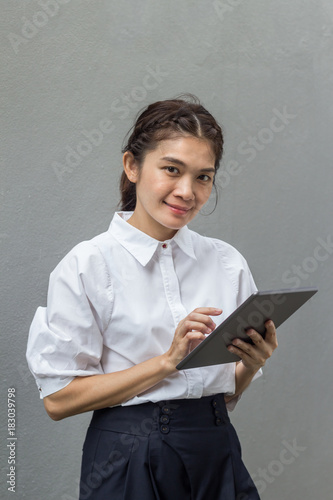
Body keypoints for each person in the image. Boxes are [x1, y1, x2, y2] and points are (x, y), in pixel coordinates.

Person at [26, 95, 278, 500]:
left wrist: (251, 364)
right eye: (172, 170)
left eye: (203, 177)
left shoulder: (227, 262)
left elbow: (228, 392)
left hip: (216, 447)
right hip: (127, 456)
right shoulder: (89, 265)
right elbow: (57, 399)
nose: (187, 191)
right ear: (132, 166)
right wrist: (166, 362)